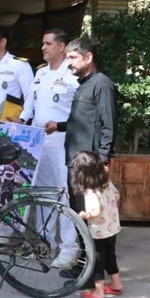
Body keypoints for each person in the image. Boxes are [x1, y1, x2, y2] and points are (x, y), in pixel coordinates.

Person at [10, 29, 79, 268]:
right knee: (41, 194)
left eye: (48, 43)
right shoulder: (40, 73)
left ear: (61, 47)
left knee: (63, 194)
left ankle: (69, 248)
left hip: (62, 141)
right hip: (39, 141)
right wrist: (22, 119)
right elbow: (31, 102)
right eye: (43, 43)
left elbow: (80, 111)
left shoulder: (72, 74)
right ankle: (43, 244)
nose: (43, 47)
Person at [45, 37, 118, 212]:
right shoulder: (83, 85)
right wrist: (58, 126)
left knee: (91, 215)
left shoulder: (101, 84)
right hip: (75, 161)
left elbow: (109, 123)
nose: (68, 63)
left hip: (90, 163)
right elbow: (83, 120)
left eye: (73, 57)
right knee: (78, 213)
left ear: (88, 57)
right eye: (67, 58)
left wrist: (104, 160)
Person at [71, 151, 123, 298]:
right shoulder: (106, 183)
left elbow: (95, 211)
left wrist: (83, 215)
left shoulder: (90, 190)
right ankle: (116, 284)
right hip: (112, 227)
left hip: (98, 231)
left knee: (97, 261)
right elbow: (117, 196)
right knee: (110, 256)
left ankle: (99, 291)